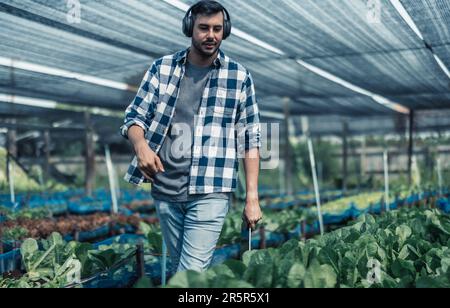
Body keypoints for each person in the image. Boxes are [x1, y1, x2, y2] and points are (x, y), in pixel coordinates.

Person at [120, 0, 262, 273]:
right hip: (165, 188)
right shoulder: (162, 69)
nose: (211, 35)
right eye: (204, 28)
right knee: (178, 271)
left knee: (190, 274)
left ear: (225, 31)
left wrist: (252, 197)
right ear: (189, 28)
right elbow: (135, 117)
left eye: (217, 29)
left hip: (211, 190)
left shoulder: (239, 76)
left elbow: (250, 138)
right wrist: (141, 146)